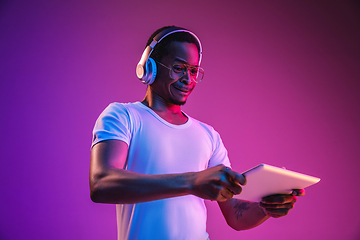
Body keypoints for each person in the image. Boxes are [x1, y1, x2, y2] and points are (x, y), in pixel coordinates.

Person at [89, 26, 305, 240]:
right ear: (150, 67)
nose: (188, 79)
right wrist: (192, 182)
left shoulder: (208, 135)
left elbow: (235, 216)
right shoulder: (122, 116)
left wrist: (265, 207)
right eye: (178, 67)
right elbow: (102, 183)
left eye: (193, 70)